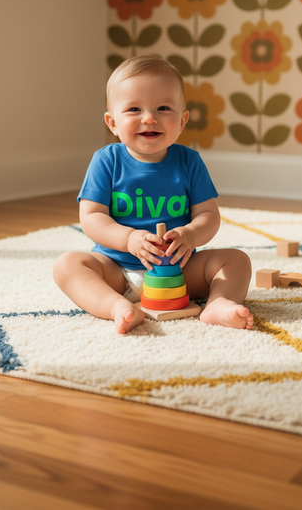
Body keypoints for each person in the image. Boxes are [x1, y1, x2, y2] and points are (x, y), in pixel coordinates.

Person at [53, 55, 253, 334]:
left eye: (163, 107)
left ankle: (218, 304)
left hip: (178, 272)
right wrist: (128, 238)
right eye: (134, 109)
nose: (149, 118)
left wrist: (191, 235)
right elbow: (91, 217)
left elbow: (208, 214)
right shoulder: (106, 161)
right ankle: (116, 307)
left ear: (182, 122)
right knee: (67, 265)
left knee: (237, 260)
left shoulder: (189, 162)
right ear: (112, 123)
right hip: (117, 269)